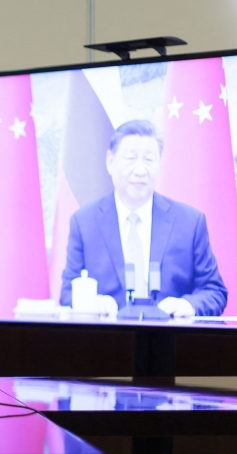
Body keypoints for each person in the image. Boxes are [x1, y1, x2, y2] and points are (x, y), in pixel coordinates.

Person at [60, 120, 227, 317]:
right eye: (130, 158)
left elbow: (215, 291)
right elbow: (67, 293)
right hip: (108, 340)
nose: (140, 170)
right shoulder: (85, 223)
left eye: (149, 160)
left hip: (170, 340)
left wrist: (187, 306)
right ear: (110, 161)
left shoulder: (190, 222)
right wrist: (91, 302)